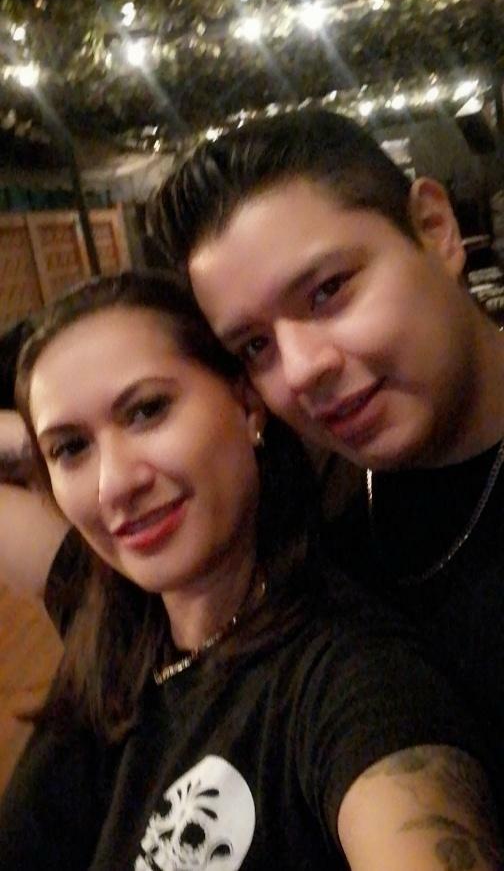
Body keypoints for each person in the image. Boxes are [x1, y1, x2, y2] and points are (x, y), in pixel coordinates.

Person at [0, 270, 501, 870]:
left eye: (147, 410)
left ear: (247, 404)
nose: (114, 485)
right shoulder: (113, 624)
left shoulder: (349, 677)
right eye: (71, 447)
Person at [151, 108, 504, 774]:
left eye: (328, 290)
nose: (300, 370)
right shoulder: (309, 507)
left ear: (436, 229)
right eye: (255, 346)